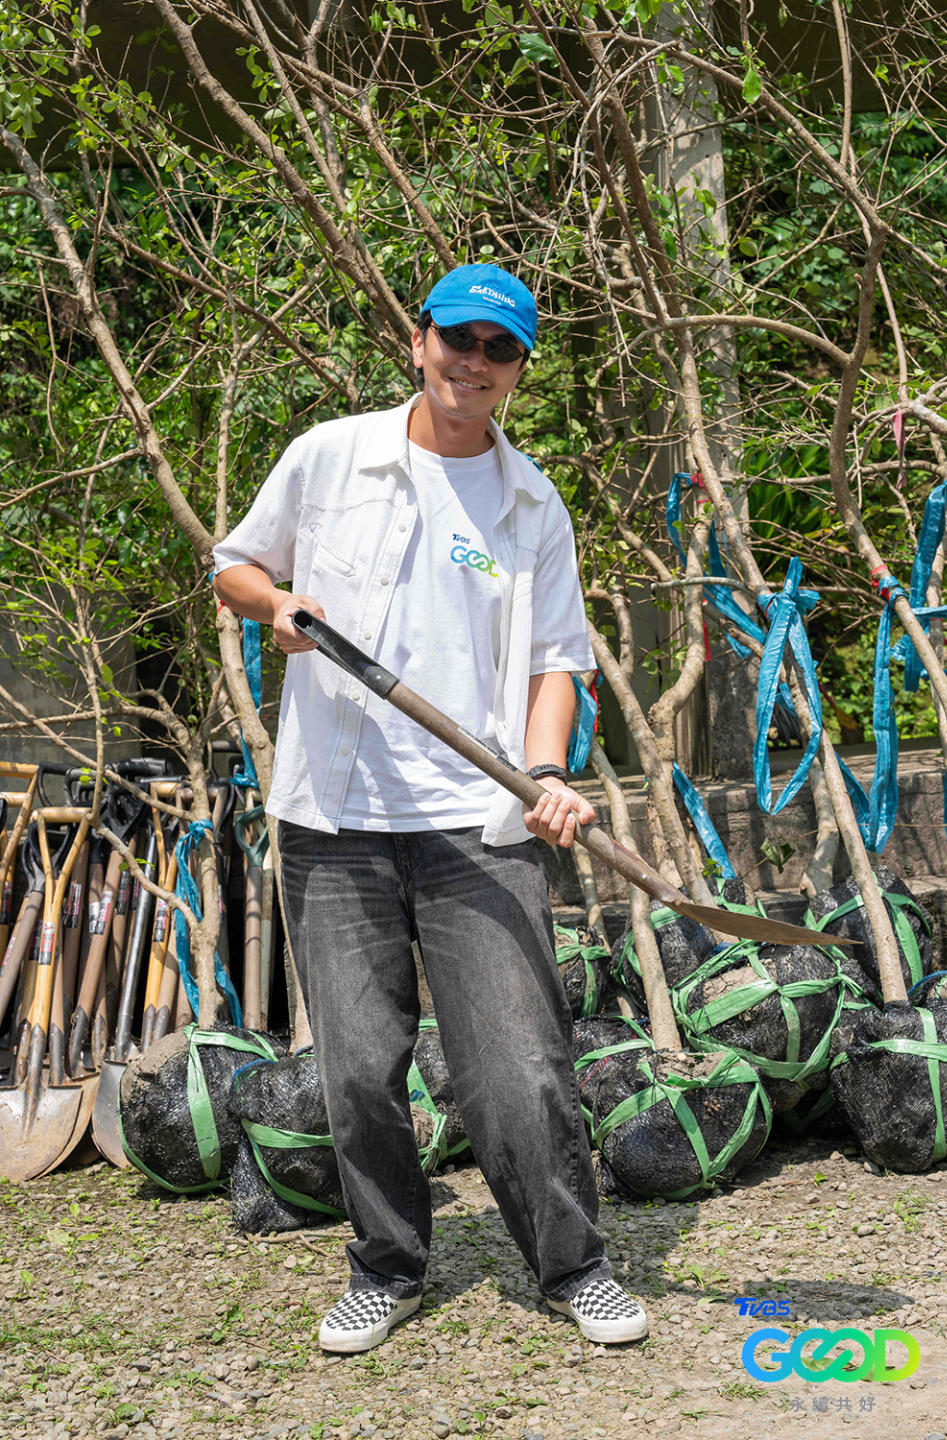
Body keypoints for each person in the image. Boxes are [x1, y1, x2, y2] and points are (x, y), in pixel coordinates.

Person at [212, 264, 647, 1354]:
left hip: (476, 823)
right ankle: (388, 1266)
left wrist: (545, 775)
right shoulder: (330, 457)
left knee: (517, 1064)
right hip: (335, 817)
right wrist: (278, 602)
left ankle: (572, 1264)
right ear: (420, 341)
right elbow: (235, 567)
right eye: (459, 338)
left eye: (500, 351)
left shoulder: (530, 502)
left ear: (518, 372)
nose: (475, 363)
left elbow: (557, 663)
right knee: (358, 1067)